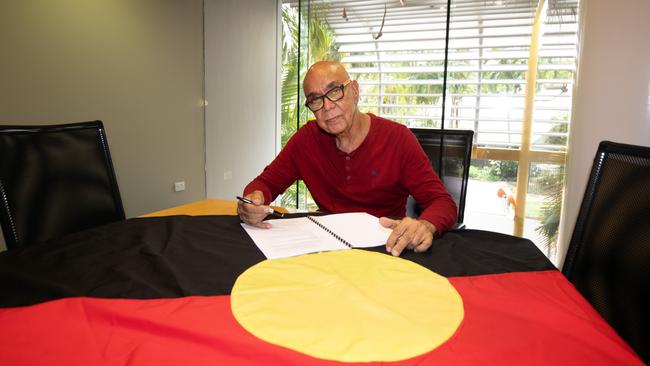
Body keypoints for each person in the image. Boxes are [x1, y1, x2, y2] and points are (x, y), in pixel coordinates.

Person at [238, 61, 457, 256]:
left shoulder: (398, 139)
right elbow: (265, 183)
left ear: (354, 91)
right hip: (326, 250)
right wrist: (253, 201)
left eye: (334, 91)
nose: (327, 107)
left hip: (385, 251)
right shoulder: (307, 140)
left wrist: (425, 225)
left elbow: (442, 202)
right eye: (315, 100)